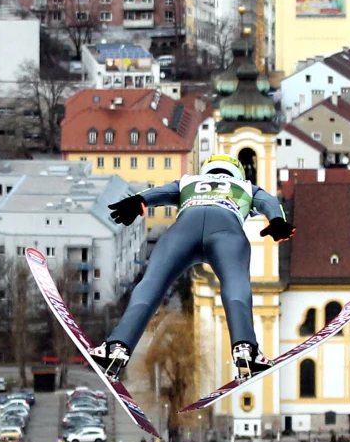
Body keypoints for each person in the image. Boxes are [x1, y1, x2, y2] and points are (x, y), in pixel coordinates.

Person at [99, 154, 294, 380]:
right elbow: (269, 202)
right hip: (226, 233)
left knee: (151, 285)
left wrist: (137, 200)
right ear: (237, 173)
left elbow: (158, 194)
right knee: (235, 284)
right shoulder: (247, 187)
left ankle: (117, 347)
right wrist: (277, 220)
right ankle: (245, 349)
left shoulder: (188, 182)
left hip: (182, 233)